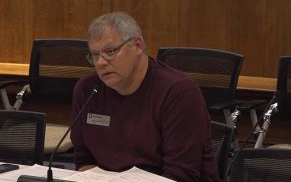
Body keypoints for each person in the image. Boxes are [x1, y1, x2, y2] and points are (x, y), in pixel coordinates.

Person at [70, 11, 221, 182]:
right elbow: (83, 159)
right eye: (95, 55)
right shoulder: (88, 90)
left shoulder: (178, 93)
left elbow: (180, 174)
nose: (101, 62)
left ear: (138, 46)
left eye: (110, 51)